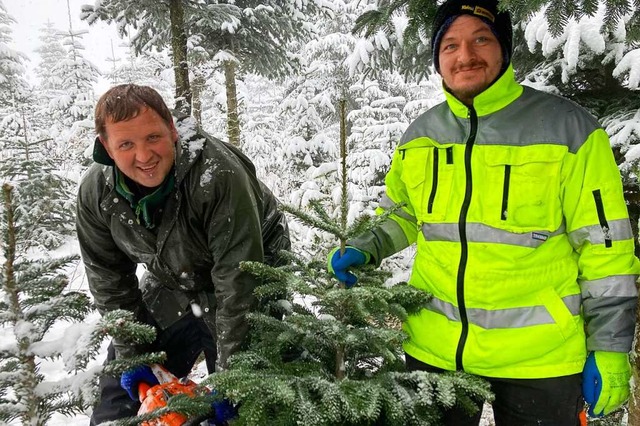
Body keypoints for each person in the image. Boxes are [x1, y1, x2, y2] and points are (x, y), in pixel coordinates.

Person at [328, 0, 640, 424]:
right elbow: (403, 213)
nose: (465, 56)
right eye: (450, 45)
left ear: (503, 50)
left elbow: (607, 252)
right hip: (434, 351)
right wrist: (367, 247)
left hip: (541, 360)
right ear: (438, 59)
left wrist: (609, 348)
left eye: (480, 39)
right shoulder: (421, 136)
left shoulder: (571, 131)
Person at [76, 84, 290, 425]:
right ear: (106, 147)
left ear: (172, 130)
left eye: (153, 138)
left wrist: (232, 382)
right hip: (175, 276)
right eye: (126, 144)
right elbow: (110, 281)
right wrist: (135, 359)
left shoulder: (217, 176)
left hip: (252, 272)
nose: (144, 156)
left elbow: (239, 281)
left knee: (247, 401)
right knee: (121, 394)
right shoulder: (96, 194)